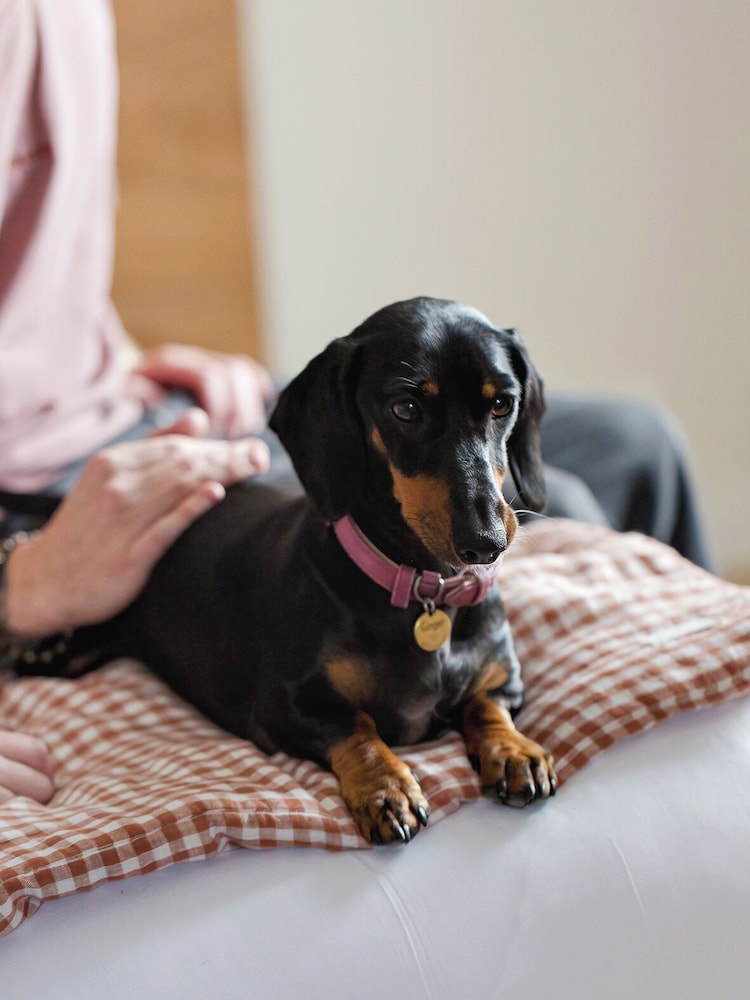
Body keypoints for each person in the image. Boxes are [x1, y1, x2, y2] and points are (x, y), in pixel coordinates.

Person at [0, 1, 712, 806]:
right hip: (38, 484)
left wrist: (137, 358)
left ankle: (710, 770)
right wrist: (20, 583)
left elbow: (41, 276)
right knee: (570, 507)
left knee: (637, 443)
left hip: (143, 403)